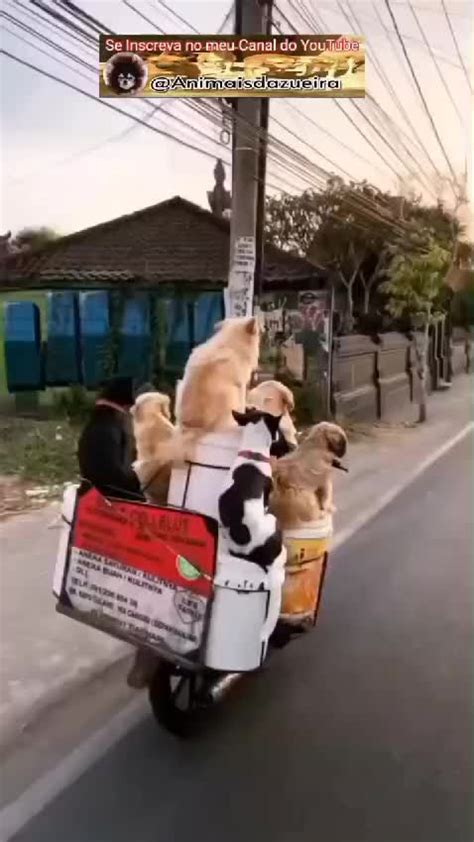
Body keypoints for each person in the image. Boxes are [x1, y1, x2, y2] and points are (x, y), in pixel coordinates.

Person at [77, 376, 144, 501]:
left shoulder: (99, 422)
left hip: (95, 492)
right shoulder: (111, 427)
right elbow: (116, 475)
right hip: (113, 497)